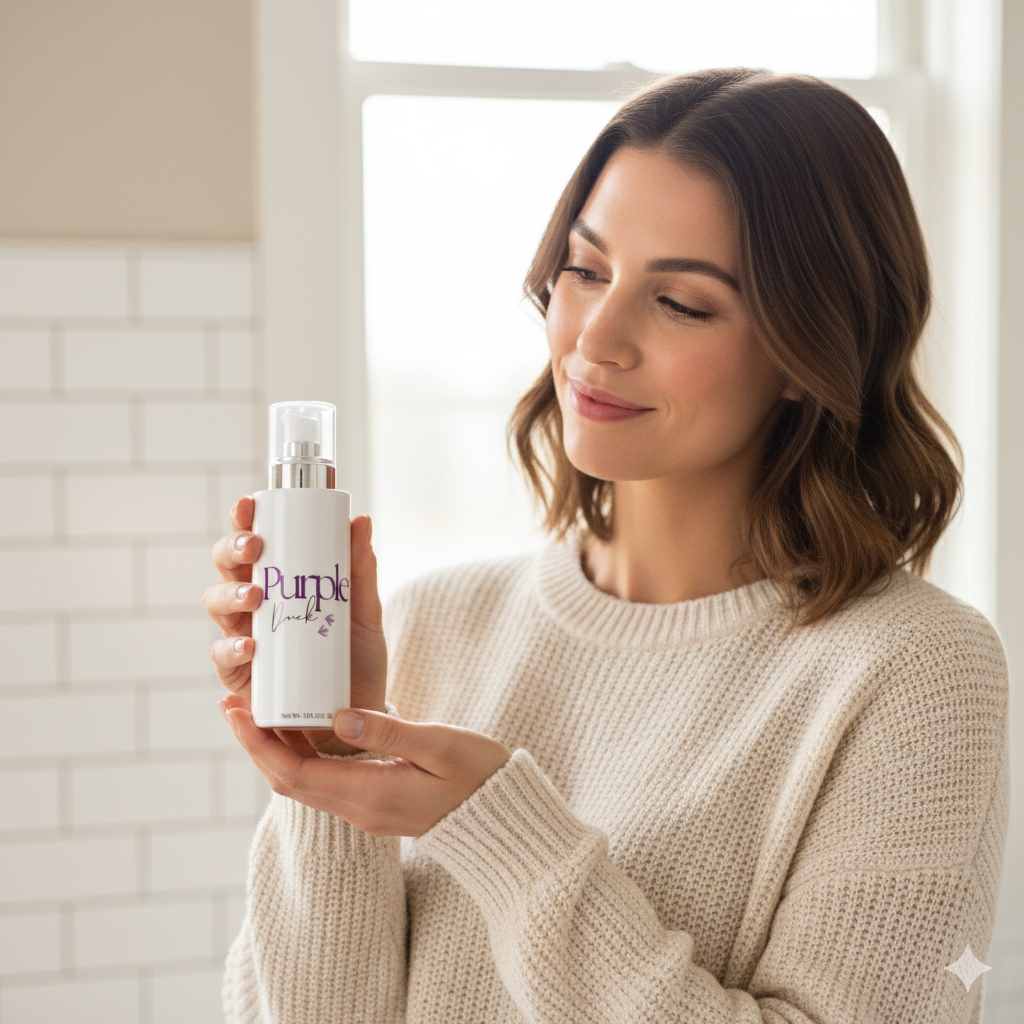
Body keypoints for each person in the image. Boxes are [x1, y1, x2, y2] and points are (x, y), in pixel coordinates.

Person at [204, 68, 1010, 1024]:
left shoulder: (916, 671)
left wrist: (504, 831)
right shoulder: (434, 625)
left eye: (683, 303)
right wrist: (325, 769)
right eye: (585, 271)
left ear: (810, 351)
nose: (596, 339)